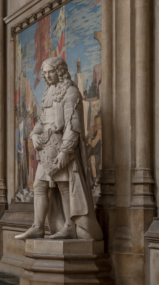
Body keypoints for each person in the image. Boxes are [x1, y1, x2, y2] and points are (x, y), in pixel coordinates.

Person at [16, 57, 103, 241]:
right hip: (46, 150)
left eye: (50, 72)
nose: (47, 76)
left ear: (60, 71)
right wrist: (33, 135)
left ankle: (69, 227)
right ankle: (38, 227)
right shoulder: (48, 92)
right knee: (39, 185)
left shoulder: (71, 92)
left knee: (65, 187)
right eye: (45, 73)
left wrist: (65, 151)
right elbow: (42, 121)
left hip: (61, 146)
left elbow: (73, 125)